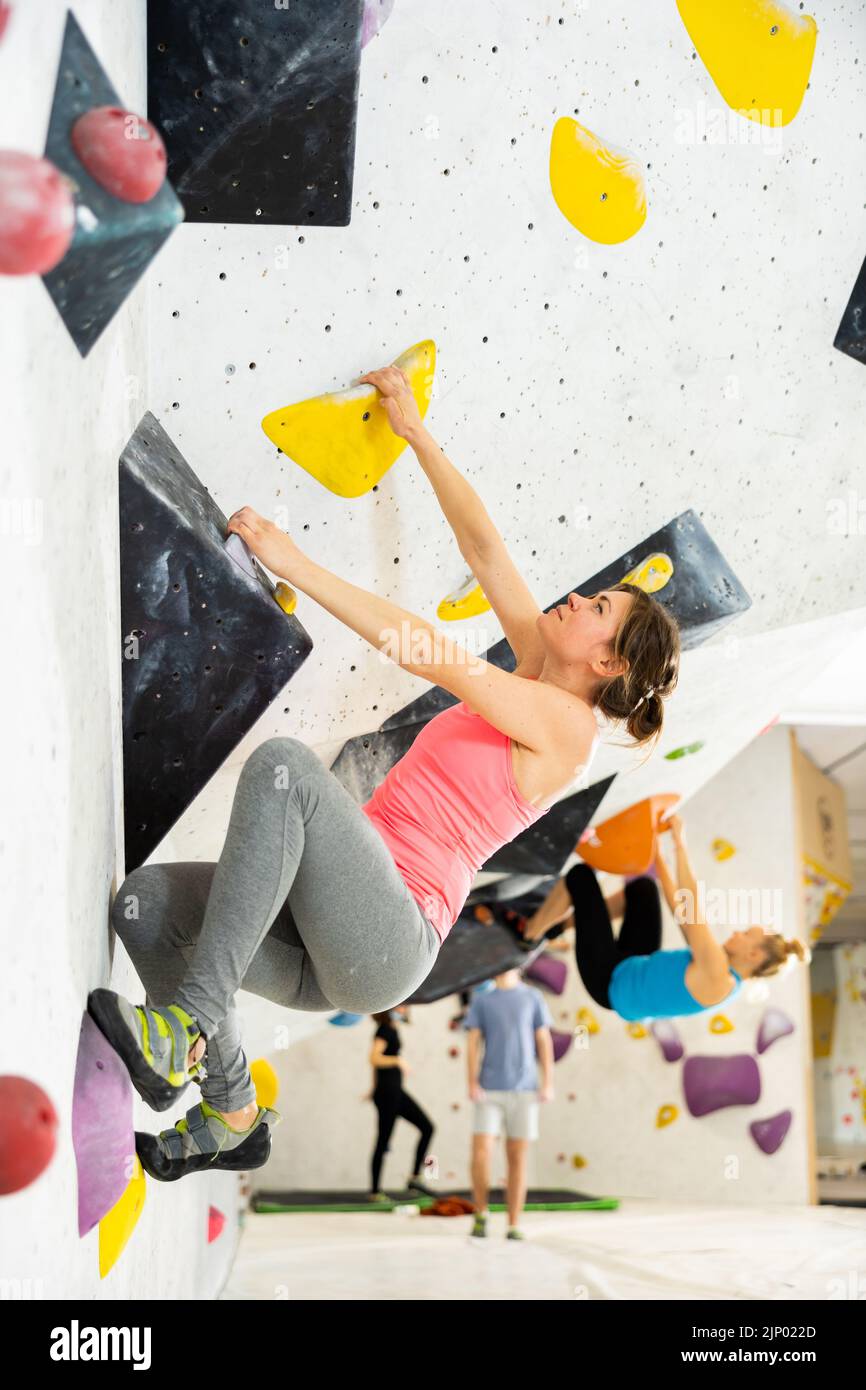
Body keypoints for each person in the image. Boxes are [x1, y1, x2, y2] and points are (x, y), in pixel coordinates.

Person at [89, 364, 680, 1181]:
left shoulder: (567, 725)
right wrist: (414, 432)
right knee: (144, 908)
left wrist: (292, 562)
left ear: (610, 662)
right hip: (315, 924)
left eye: (599, 609)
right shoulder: (542, 667)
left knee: (288, 771)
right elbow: (485, 548)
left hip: (387, 940)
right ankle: (230, 1112)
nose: (578, 599)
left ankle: (186, 1027)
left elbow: (426, 649)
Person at [518, 813, 808, 1021]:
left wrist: (678, 844)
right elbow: (680, 909)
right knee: (643, 889)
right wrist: (655, 852)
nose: (736, 933)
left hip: (610, 983)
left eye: (745, 935)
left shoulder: (719, 976)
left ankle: (531, 933)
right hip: (637, 965)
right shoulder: (721, 970)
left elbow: (689, 905)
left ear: (754, 955)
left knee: (580, 877)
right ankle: (563, 925)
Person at [465, 969, 554, 1240]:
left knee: (517, 1157)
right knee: (481, 1153)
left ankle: (513, 1224)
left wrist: (547, 1082)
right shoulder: (483, 1000)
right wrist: (471, 1081)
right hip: (489, 1090)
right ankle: (481, 1213)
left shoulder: (533, 997)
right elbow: (472, 1042)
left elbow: (543, 1039)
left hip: (525, 1091)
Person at [367, 1009, 434, 1201]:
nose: (405, 1009)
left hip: (394, 1092)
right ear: (392, 1008)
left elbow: (375, 1064)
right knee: (383, 1141)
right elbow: (374, 1058)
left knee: (427, 1128)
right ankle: (375, 1192)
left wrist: (373, 1087)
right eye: (402, 1005)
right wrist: (398, 1060)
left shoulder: (392, 1029)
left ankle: (415, 1177)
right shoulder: (384, 1029)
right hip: (388, 1094)